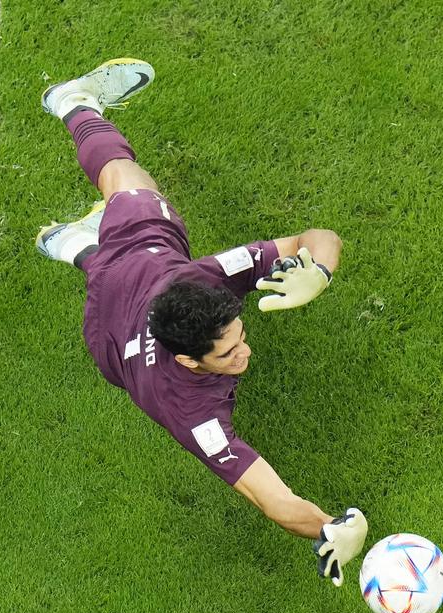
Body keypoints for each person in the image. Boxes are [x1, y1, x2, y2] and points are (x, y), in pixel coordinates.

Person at [34, 59, 367, 585]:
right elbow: (272, 498)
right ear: (190, 361)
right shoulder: (190, 411)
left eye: (240, 335)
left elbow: (318, 237)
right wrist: (330, 527)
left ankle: (77, 198)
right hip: (111, 333)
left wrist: (318, 271)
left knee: (117, 217)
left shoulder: (206, 278)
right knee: (119, 207)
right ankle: (74, 115)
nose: (245, 352)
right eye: (229, 353)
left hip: (131, 278)